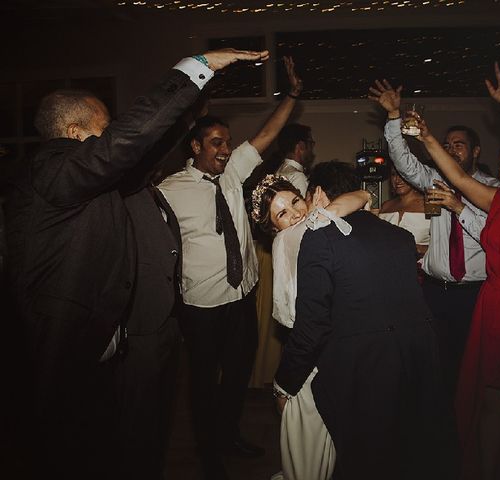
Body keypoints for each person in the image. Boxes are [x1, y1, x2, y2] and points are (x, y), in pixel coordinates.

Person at [3, 48, 268, 479]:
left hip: (104, 349)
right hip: (66, 354)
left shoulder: (80, 181)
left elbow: (141, 155)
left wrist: (189, 109)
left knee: (115, 448)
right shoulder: (50, 170)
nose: (112, 140)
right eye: (103, 131)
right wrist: (196, 67)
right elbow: (126, 145)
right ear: (74, 133)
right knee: (70, 455)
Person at [374, 59, 500, 478]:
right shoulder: (498, 203)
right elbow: (453, 176)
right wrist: (428, 136)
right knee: (488, 402)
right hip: (494, 308)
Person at [158, 56, 301, 478]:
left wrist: (292, 94)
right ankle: (207, 452)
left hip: (242, 297)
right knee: (204, 384)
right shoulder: (168, 192)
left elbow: (267, 134)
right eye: (217, 143)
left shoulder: (234, 173)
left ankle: (229, 434)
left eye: (227, 142)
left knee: (238, 375)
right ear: (196, 147)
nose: (225, 149)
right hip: (200, 306)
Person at [273, 161, 454, 479]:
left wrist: (284, 384)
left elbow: (312, 327)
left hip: (361, 371)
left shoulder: (319, 238)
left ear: (317, 193)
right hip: (414, 360)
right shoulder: (399, 237)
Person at [369, 82, 500, 401]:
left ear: (476, 151)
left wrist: (458, 207)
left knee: (470, 370)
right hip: (433, 292)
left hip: (475, 294)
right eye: (447, 145)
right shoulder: (434, 179)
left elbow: (496, 240)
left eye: (460, 145)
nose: (453, 150)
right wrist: (393, 115)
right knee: (430, 366)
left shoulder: (493, 188)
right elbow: (403, 161)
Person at [251, 171, 369, 480]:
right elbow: (362, 197)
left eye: (294, 202)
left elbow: (363, 196)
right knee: (308, 456)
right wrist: (321, 213)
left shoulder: (313, 228)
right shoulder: (288, 239)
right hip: (313, 357)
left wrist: (321, 213)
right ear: (272, 228)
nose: (294, 214)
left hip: (325, 352)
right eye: (282, 214)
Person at [250, 121, 315, 388]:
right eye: (310, 145)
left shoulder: (282, 170)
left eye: (297, 203)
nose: (296, 210)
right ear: (301, 147)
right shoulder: (295, 178)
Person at [378, 163, 430, 259]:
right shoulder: (386, 206)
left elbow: (445, 246)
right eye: (394, 174)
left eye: (403, 174)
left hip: (419, 269)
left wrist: (418, 248)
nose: (397, 179)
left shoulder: (430, 205)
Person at [275, 123, 315, 197]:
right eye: (311, 143)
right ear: (301, 145)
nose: (312, 149)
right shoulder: (298, 177)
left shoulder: (279, 171)